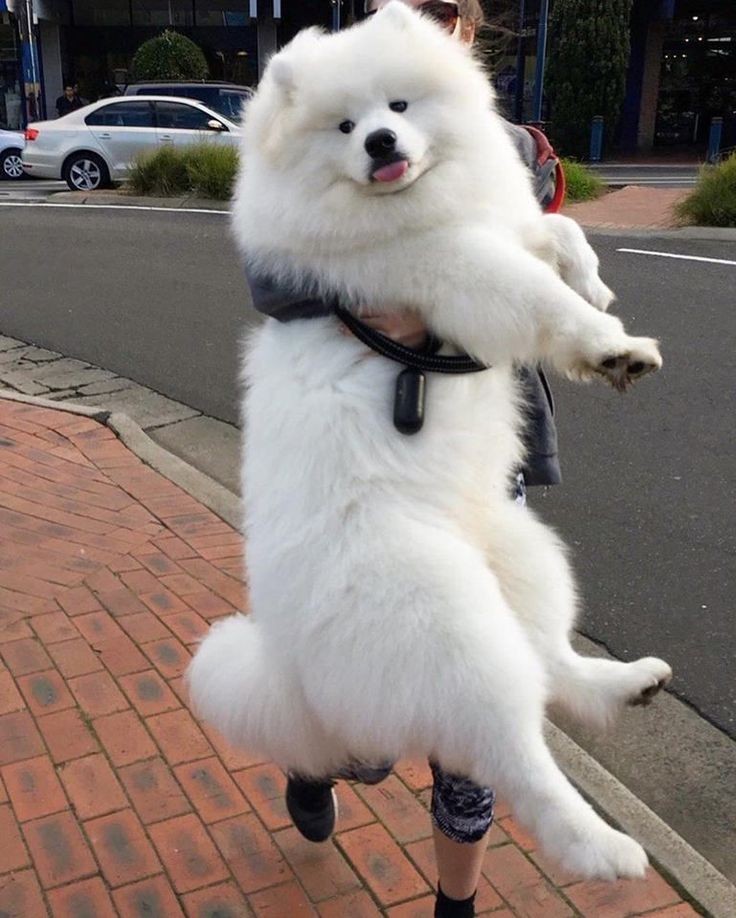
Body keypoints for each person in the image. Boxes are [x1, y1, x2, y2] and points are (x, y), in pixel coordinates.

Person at [247, 3, 563, 915]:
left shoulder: (508, 142)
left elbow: (532, 277)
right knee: (374, 705)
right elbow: (270, 276)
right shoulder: (328, 126)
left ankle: (453, 905)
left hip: (478, 453)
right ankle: (324, 764)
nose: (429, 23)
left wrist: (449, 295)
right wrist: (400, 285)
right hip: (369, 459)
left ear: (467, 25)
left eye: (445, 11)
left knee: (475, 700)